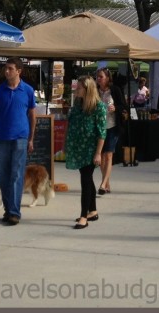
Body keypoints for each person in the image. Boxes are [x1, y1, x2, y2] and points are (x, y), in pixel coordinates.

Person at [0, 58, 36, 225]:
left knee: (17, 175)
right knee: (4, 176)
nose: (6, 71)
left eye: (10, 69)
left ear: (19, 71)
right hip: (2, 138)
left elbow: (33, 116)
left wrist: (31, 138)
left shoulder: (27, 90)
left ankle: (14, 212)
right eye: (6, 68)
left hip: (20, 138)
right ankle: (8, 209)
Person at [65, 75, 107, 229]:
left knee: (85, 180)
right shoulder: (77, 104)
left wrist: (98, 153)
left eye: (80, 87)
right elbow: (71, 123)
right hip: (78, 147)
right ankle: (93, 211)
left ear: (88, 89)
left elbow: (102, 132)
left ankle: (84, 216)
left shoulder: (98, 107)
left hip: (90, 149)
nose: (77, 90)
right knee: (87, 178)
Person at [94, 67, 124, 195]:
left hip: (112, 125)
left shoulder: (115, 90)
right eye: (97, 77)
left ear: (107, 78)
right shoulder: (95, 91)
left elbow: (124, 105)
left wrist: (115, 107)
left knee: (108, 154)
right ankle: (106, 182)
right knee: (100, 156)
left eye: (101, 76)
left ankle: (103, 184)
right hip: (99, 127)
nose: (98, 79)